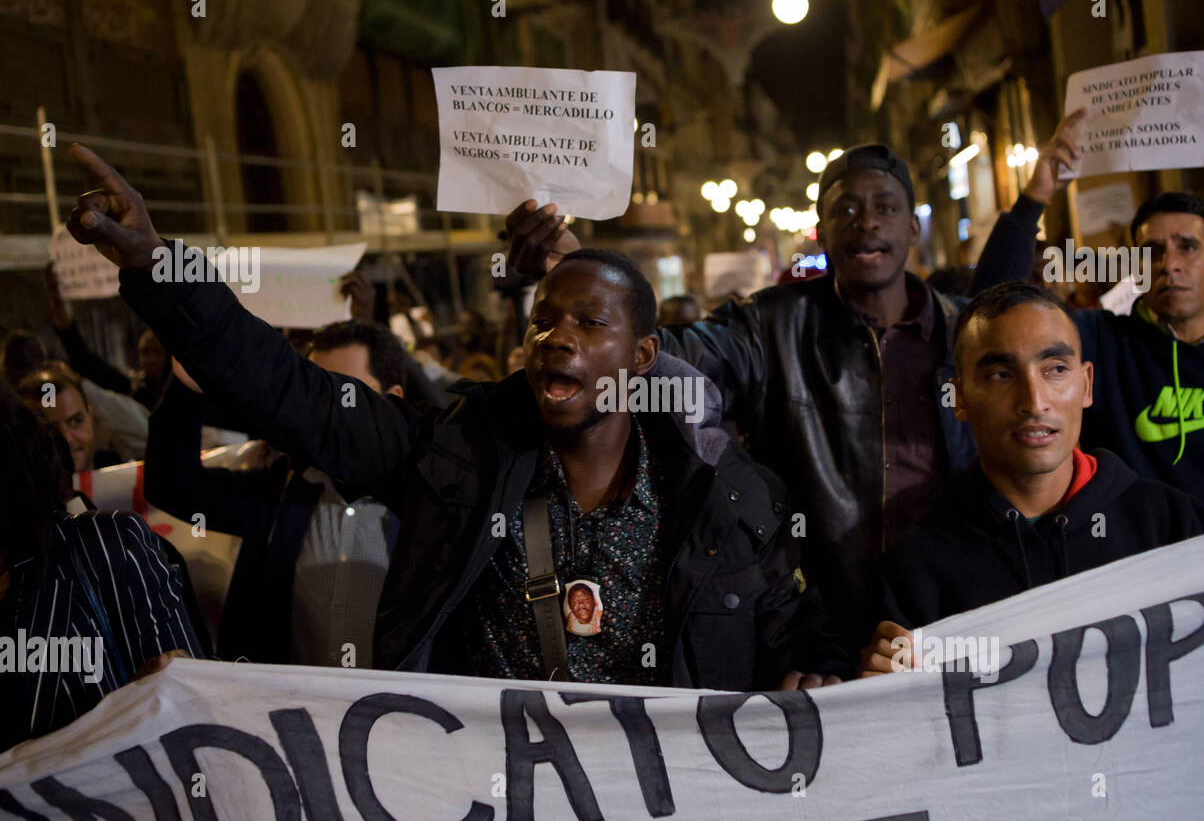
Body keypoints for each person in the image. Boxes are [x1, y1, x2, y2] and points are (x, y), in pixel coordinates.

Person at [64, 144, 846, 691]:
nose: (557, 339)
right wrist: (156, 267)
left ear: (642, 357)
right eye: (543, 321)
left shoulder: (731, 498)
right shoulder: (453, 457)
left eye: (589, 324)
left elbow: (791, 637)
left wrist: (826, 671)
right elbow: (288, 392)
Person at [505, 143, 1038, 649]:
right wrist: (582, 275)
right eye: (846, 208)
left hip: (955, 620)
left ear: (912, 227)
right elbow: (649, 357)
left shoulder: (963, 332)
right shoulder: (767, 327)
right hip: (815, 634)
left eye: (886, 206)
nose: (867, 221)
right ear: (821, 230)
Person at [858, 283, 1204, 675]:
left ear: (1086, 386)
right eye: (1000, 374)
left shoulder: (1170, 526)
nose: (1034, 401)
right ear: (957, 398)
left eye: (1055, 369)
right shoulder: (915, 569)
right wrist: (879, 696)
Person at [974, 112, 1204, 527]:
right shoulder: (1101, 344)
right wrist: (1034, 198)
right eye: (1152, 251)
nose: (1170, 265)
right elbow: (991, 309)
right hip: (1146, 577)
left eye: (1187, 248)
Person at [146, 320, 406, 669]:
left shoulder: (434, 505)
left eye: (346, 395)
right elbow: (173, 484)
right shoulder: (278, 492)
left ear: (393, 400)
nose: (327, 414)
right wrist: (187, 382)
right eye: (315, 394)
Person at [0, 383, 204, 751]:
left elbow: (192, 712)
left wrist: (157, 691)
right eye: (53, 424)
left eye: (76, 420)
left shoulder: (107, 549)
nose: (68, 436)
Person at [45, 262, 171, 409]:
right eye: (145, 352)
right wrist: (59, 305)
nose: (150, 359)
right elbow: (85, 361)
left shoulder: (188, 390)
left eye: (157, 352)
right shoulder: (132, 389)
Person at [17, 364, 123, 472]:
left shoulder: (120, 471)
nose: (67, 439)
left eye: (76, 421)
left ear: (90, 417)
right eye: (50, 429)